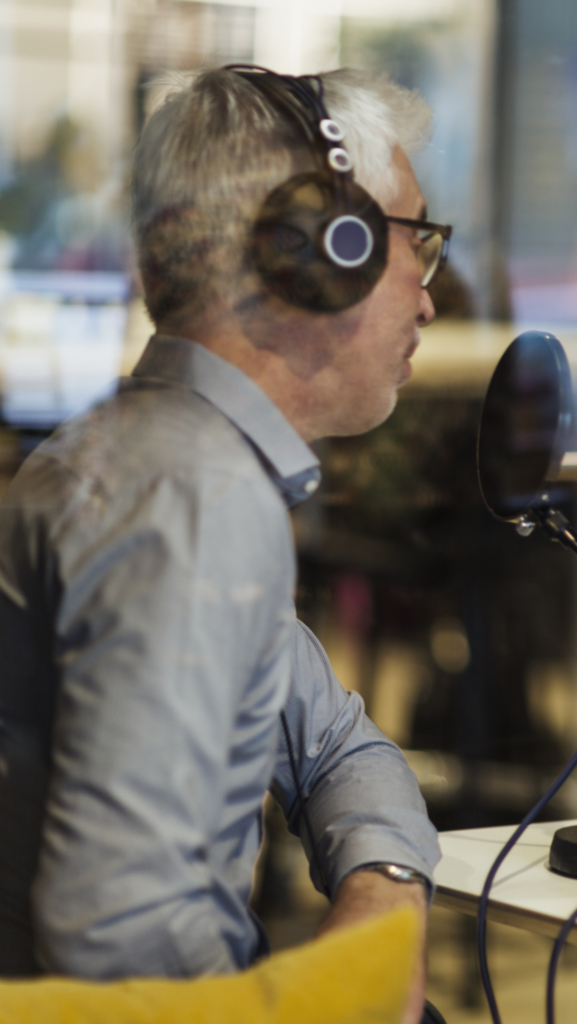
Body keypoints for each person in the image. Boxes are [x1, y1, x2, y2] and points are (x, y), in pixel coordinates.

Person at [0, 66, 448, 1023]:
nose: (427, 300)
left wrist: (384, 888)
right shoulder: (188, 501)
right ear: (325, 250)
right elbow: (122, 939)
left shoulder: (164, 460)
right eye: (421, 243)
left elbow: (332, 744)